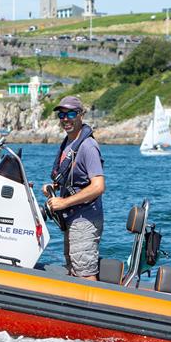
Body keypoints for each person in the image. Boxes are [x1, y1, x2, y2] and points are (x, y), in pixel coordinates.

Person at [45, 96, 105, 280]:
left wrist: (63, 202)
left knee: (85, 274)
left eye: (71, 113)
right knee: (73, 269)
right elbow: (73, 178)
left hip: (84, 219)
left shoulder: (88, 146)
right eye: (62, 114)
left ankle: (93, 309)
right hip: (72, 218)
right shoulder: (68, 144)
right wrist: (52, 187)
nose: (66, 119)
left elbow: (98, 186)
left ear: (81, 115)